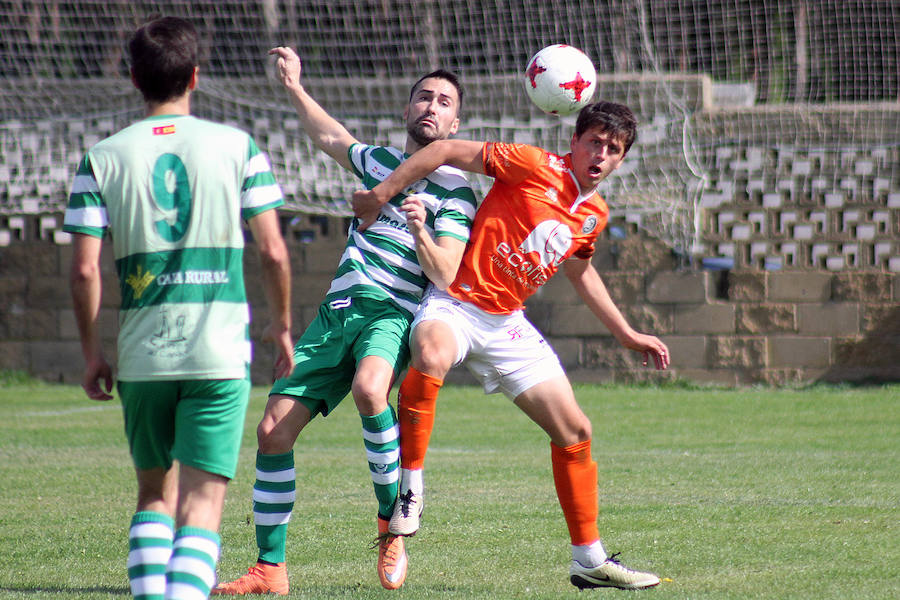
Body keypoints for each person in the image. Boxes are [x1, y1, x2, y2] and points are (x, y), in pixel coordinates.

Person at [352, 101, 670, 591]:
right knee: (432, 354)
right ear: (575, 142)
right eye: (595, 142)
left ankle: (588, 559)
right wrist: (380, 194)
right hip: (455, 302)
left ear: (621, 159)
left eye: (614, 149)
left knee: (575, 430)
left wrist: (626, 333)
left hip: (506, 325)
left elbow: (580, 271)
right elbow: (445, 149)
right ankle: (410, 491)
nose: (602, 154)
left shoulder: (594, 213)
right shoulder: (533, 163)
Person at [211, 47, 476, 594]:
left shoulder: (456, 191)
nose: (432, 105)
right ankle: (271, 568)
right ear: (407, 109)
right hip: (336, 314)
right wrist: (293, 86)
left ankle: (392, 521)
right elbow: (330, 136)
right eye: (424, 96)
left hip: (392, 314)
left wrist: (421, 228)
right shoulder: (378, 163)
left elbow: (447, 274)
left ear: (455, 124)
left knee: (370, 388)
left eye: (444, 101)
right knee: (271, 432)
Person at [63, 16, 294, 600]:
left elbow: (86, 267)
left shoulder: (102, 157)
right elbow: (272, 250)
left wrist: (93, 353)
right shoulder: (238, 147)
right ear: (195, 75)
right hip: (217, 351)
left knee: (153, 497)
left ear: (133, 77)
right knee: (201, 505)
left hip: (144, 353)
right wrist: (283, 328)